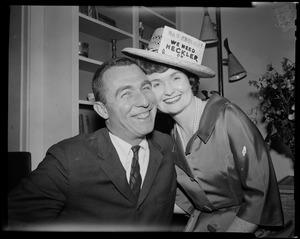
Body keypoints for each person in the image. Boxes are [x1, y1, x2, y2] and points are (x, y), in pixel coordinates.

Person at [122, 27, 287, 235]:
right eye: (156, 83)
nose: (168, 90)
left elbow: (260, 195)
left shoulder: (228, 117)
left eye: (175, 78)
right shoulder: (169, 137)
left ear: (190, 81)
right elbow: (190, 201)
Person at [7, 57, 177, 231]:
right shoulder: (67, 159)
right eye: (126, 94)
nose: (145, 102)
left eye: (145, 88)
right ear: (102, 110)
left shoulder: (169, 146)